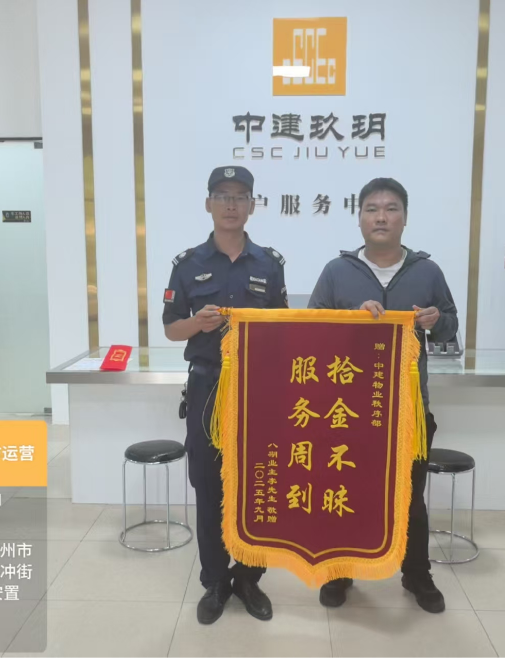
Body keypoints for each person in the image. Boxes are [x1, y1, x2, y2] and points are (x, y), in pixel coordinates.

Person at [308, 177, 458, 614]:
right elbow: (312, 329)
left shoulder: (427, 271)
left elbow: (450, 327)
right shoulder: (337, 272)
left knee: (410, 498)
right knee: (344, 493)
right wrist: (349, 319)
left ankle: (417, 574)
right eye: (371, 209)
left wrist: (436, 320)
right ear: (359, 218)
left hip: (409, 409)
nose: (381, 217)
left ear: (404, 218)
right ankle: (340, 571)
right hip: (346, 410)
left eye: (391, 208)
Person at [162, 166, 288, 625]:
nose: (231, 204)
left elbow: (283, 327)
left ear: (252, 205)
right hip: (207, 385)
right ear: (208, 203)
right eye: (222, 195)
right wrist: (197, 323)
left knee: (259, 481)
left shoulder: (269, 264)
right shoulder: (187, 264)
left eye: (239, 196)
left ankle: (249, 578)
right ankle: (215, 581)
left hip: (257, 387)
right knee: (209, 483)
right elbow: (171, 329)